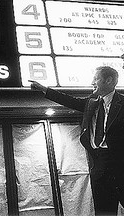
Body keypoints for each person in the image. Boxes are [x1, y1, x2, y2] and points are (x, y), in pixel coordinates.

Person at [30, 66, 124, 216]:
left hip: (120, 163)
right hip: (99, 164)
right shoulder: (92, 103)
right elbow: (70, 101)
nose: (92, 82)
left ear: (109, 80)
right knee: (104, 211)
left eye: (96, 78)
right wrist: (45, 90)